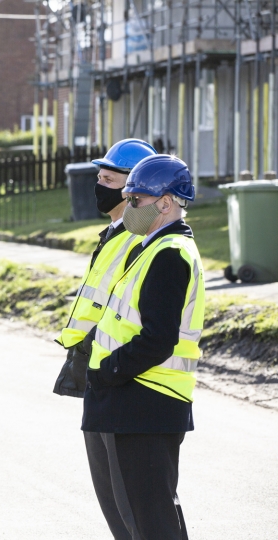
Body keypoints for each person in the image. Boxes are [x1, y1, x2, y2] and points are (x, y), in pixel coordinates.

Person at [84, 154, 204, 540]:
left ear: (166, 202)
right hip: (133, 403)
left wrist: (107, 373)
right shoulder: (152, 246)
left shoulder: (170, 254)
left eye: (135, 199)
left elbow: (157, 338)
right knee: (142, 518)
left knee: (151, 523)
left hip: (145, 402)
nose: (129, 205)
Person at [53, 137, 156, 398]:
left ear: (134, 189)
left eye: (109, 181)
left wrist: (96, 357)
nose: (99, 186)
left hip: (113, 373)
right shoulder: (113, 234)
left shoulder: (138, 240)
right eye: (99, 178)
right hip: (93, 367)